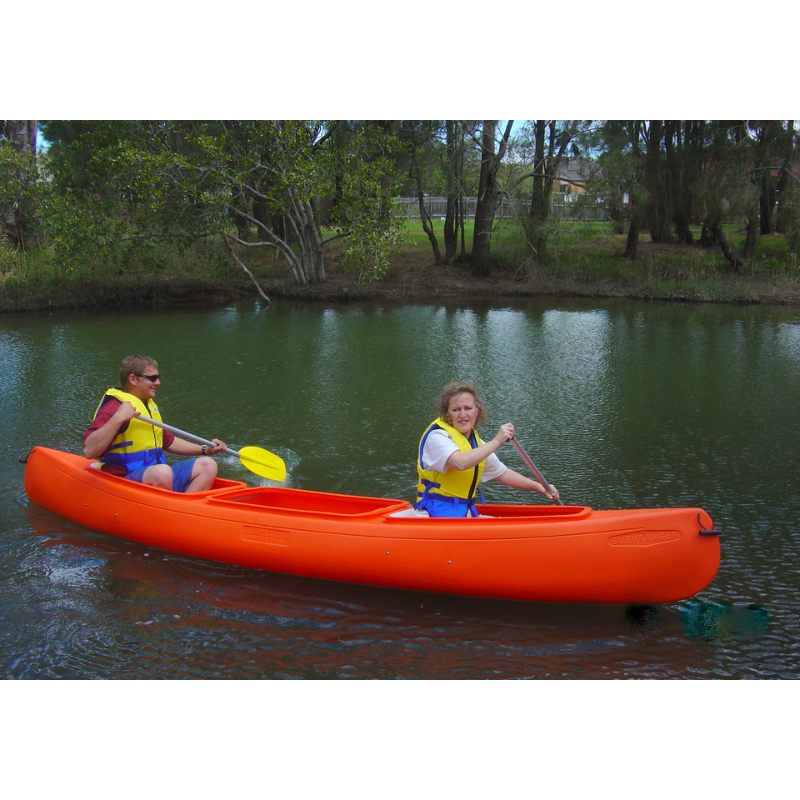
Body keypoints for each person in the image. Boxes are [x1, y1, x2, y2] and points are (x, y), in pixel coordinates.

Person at [83, 355, 227, 493]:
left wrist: (205, 450)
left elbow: (168, 442)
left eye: (157, 378)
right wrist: (118, 418)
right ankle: (167, 510)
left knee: (208, 464)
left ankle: (182, 510)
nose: (158, 383)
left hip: (155, 474)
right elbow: (89, 450)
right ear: (133, 379)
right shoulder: (114, 408)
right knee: (163, 471)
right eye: (152, 378)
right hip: (124, 478)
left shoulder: (148, 406)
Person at [414, 381, 559, 518]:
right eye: (456, 409)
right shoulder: (437, 437)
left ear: (477, 411)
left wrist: (539, 487)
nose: (463, 415)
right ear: (447, 414)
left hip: (462, 510)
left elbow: (502, 473)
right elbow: (460, 463)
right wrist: (497, 441)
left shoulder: (476, 444)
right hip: (434, 511)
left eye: (468, 408)